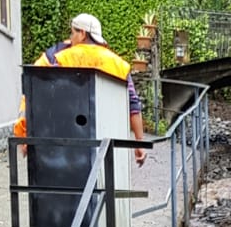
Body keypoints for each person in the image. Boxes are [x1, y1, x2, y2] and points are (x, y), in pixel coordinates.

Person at [14, 13, 147, 166]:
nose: (70, 38)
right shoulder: (119, 65)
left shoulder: (58, 59)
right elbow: (133, 105)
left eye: (72, 32)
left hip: (64, 148)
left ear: (82, 33)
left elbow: (34, 94)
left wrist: (25, 138)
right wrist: (139, 142)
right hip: (106, 149)